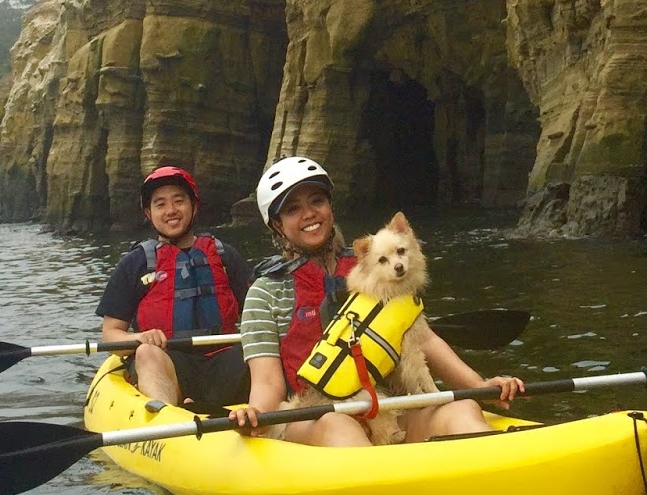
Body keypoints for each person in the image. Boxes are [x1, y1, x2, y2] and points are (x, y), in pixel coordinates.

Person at [228, 155, 523, 445]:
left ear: (330, 206)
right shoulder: (266, 292)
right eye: (293, 209)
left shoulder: (377, 267)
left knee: (462, 410)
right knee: (340, 426)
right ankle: (382, 474)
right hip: (313, 415)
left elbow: (423, 340)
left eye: (317, 201)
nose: (309, 214)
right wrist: (256, 414)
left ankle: (498, 465)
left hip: (387, 407)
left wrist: (480, 387)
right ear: (277, 225)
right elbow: (267, 382)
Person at [97, 165, 251, 411]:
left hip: (224, 361)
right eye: (160, 204)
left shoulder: (225, 257)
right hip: (169, 364)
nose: (171, 211)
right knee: (147, 353)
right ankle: (168, 417)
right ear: (149, 213)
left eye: (179, 201)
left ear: (194, 206)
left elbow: (257, 318)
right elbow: (110, 334)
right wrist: (139, 338)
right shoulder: (135, 264)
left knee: (262, 350)